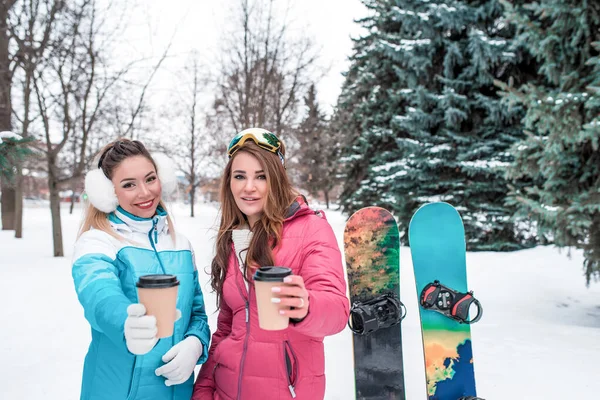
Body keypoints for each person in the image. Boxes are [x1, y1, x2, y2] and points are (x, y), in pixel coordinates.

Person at [192, 128, 350, 400]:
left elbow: (336, 311)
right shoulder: (235, 238)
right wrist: (203, 391)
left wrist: (305, 305)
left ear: (276, 179)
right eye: (239, 176)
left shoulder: (312, 229)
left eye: (261, 177)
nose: (248, 187)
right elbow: (226, 330)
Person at [71, 139, 210, 400]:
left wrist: (195, 343)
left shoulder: (181, 244)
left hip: (176, 392)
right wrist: (126, 323)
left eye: (150, 179)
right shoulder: (97, 242)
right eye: (129, 185)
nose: (145, 192)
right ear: (109, 192)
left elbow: (197, 313)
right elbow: (98, 294)